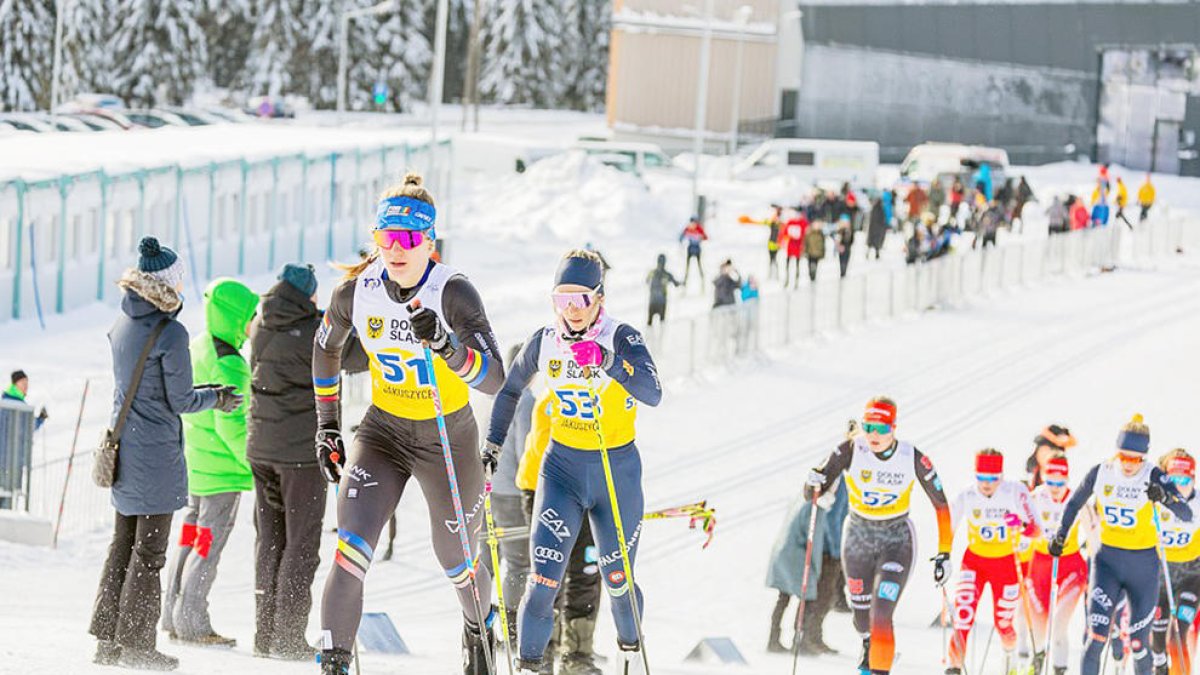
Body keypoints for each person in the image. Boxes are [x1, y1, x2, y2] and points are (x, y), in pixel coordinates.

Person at [312, 172, 506, 675]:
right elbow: (325, 347)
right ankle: (332, 664)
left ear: (429, 242)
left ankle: (479, 629)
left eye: (408, 239)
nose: (395, 250)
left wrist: (447, 347)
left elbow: (494, 378)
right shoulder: (357, 292)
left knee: (457, 560)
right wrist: (328, 425)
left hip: (447, 436)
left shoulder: (453, 291)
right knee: (350, 547)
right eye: (385, 238)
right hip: (383, 433)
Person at [481, 249, 662, 674]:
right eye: (561, 300)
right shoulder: (544, 341)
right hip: (561, 471)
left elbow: (653, 392)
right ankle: (528, 666)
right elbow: (509, 391)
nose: (571, 311)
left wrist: (609, 363)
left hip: (616, 472)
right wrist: (491, 445)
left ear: (599, 298)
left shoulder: (621, 336)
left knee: (617, 581)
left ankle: (628, 648)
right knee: (543, 581)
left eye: (580, 300)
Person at [89, 237, 241, 671]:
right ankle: (137, 645)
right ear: (169, 285)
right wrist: (216, 396)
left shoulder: (122, 322)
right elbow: (179, 400)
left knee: (122, 544)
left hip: (125, 449)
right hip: (154, 455)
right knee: (150, 552)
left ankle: (108, 642)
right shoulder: (170, 333)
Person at [806, 397, 953, 675]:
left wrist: (945, 552)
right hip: (858, 538)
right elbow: (814, 491)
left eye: (882, 429)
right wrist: (811, 482)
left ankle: (878, 667)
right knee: (862, 619)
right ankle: (869, 645)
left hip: (896, 539)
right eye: (869, 426)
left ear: (893, 428)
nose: (874, 434)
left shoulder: (912, 457)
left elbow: (941, 505)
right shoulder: (850, 449)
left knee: (882, 614)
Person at [1050, 414, 1193, 675]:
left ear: (1144, 457)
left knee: (1139, 645)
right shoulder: (1102, 472)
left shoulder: (1154, 475)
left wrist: (1164, 498)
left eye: (1135, 459)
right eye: (1123, 457)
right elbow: (1074, 502)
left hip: (1144, 568)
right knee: (1095, 639)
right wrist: (1061, 535)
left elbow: (1187, 514)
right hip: (1107, 565)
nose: (1128, 464)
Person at [162, 277, 260, 647]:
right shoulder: (231, 363)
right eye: (250, 315)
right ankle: (192, 621)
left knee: (190, 540)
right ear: (235, 317)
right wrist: (254, 465)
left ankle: (172, 613)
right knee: (207, 547)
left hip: (196, 465)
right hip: (221, 473)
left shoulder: (198, 346)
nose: (254, 323)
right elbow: (231, 424)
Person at [244, 264, 331, 660]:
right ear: (308, 295)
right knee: (301, 544)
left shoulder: (262, 323)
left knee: (270, 541)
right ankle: (290, 636)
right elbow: (354, 356)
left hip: (262, 448)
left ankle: (265, 634)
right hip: (299, 453)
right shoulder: (313, 332)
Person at [516, 387, 605, 675]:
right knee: (549, 573)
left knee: (587, 569)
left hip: (593, 491)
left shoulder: (605, 391)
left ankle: (577, 654)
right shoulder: (553, 393)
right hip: (544, 488)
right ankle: (541, 652)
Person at [945, 449, 1040, 675]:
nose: (986, 484)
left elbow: (1037, 529)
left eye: (992, 478)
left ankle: (1010, 659)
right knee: (963, 617)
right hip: (975, 562)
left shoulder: (1015, 491)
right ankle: (953, 667)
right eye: (981, 477)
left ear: (1001, 476)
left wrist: (1020, 523)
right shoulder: (967, 495)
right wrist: (943, 555)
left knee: (1003, 624)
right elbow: (947, 527)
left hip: (1006, 564)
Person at [766, 477, 849, 655]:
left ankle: (775, 639)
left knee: (784, 597)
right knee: (808, 598)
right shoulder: (815, 509)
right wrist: (825, 561)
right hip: (797, 557)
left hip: (784, 552)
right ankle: (800, 641)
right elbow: (816, 540)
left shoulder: (802, 499)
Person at [1026, 453, 1091, 675]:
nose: (1055, 488)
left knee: (1059, 625)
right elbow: (1024, 530)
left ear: (1067, 479)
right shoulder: (1035, 497)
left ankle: (1059, 670)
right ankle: (1036, 663)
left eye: (1060, 482)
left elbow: (1094, 532)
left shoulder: (1077, 500)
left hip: (1070, 566)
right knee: (1039, 627)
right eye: (1050, 481)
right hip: (1040, 566)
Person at [491, 342, 536, 655]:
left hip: (490, 487)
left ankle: (484, 624)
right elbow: (525, 448)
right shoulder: (526, 398)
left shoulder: (498, 395)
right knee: (520, 562)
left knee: (492, 559)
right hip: (511, 489)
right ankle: (512, 629)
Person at [1150, 449, 1200, 675]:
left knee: (1177, 636)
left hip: (1192, 577)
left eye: (1184, 479)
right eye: (1173, 479)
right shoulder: (1157, 502)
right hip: (1161, 577)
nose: (1179, 486)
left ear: (1193, 479)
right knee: (1158, 641)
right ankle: (1160, 666)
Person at [1024, 425, 1076, 491]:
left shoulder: (1061, 483)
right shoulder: (1027, 482)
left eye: (1054, 452)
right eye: (1045, 450)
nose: (1048, 455)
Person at [644, 253, 679, 327]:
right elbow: (676, 284)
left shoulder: (652, 272)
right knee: (661, 324)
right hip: (661, 302)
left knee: (649, 324)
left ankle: (649, 337)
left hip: (652, 302)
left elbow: (646, 281)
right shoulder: (667, 274)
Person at [780, 213, 808, 288]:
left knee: (797, 265)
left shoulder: (802, 223)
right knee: (788, 265)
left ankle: (796, 281)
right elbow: (785, 233)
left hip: (798, 247)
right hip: (791, 247)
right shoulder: (790, 222)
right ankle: (787, 279)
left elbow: (805, 234)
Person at [679, 216, 708, 288]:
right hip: (690, 248)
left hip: (697, 248)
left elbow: (706, 237)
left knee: (699, 266)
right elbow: (681, 237)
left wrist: (701, 237)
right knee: (687, 267)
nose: (693, 224)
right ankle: (685, 283)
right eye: (692, 223)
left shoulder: (699, 228)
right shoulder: (688, 228)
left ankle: (702, 283)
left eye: (694, 223)